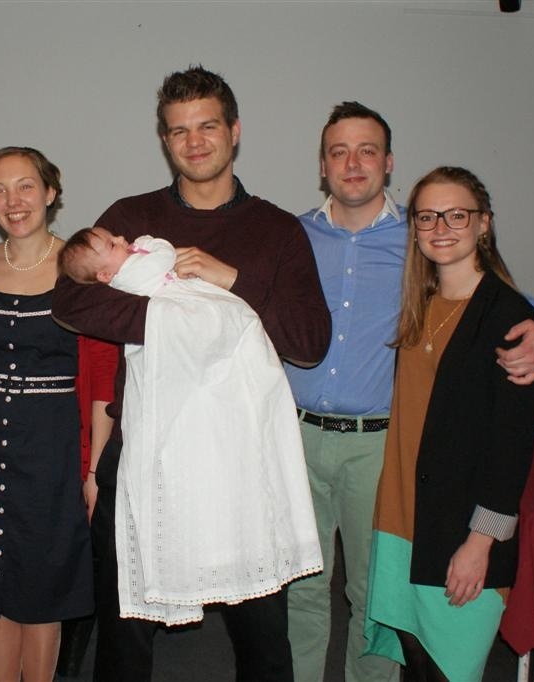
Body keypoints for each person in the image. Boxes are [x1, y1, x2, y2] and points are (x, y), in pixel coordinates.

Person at [52, 65, 331, 682]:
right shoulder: (130, 216)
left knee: (263, 639)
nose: (194, 141)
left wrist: (232, 282)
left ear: (235, 131)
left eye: (207, 126)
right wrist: (183, 322)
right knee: (125, 634)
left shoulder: (277, 229)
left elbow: (310, 342)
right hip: (145, 450)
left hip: (239, 461)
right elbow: (69, 302)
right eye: (179, 130)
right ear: (165, 140)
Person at [284, 102, 534, 682]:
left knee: (374, 595)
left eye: (367, 150)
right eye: (339, 151)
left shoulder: (420, 241)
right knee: (298, 590)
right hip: (294, 438)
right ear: (323, 165)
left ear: (388, 162)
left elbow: (516, 313)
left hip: (378, 448)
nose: (353, 163)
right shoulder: (293, 237)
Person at [59, 227, 322, 625]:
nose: (122, 240)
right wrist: (156, 264)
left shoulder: (273, 225)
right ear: (105, 276)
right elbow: (160, 260)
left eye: (115, 237)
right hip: (180, 327)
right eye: (111, 245)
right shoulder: (131, 274)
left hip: (199, 308)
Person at [0, 147, 117, 682]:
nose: (12, 201)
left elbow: (103, 380)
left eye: (25, 186)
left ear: (50, 192)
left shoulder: (82, 270)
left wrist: (94, 471)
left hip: (53, 447)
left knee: (44, 586)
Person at [363, 166, 534, 681]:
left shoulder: (509, 317)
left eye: (456, 215)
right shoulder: (421, 304)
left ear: (484, 223)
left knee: (450, 668)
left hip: (460, 531)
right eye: (427, 217)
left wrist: (480, 544)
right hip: (402, 520)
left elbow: (512, 446)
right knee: (416, 663)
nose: (440, 227)